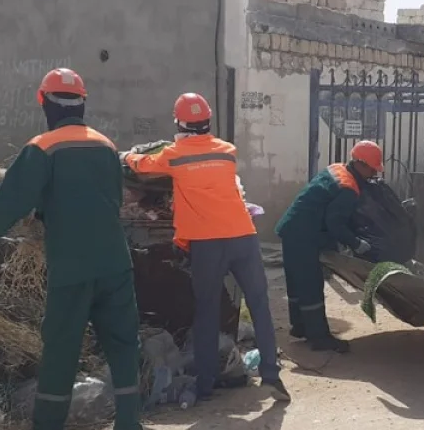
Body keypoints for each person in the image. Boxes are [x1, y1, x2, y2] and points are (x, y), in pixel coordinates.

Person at [0, 67, 152, 430]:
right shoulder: (105, 146)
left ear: (43, 102)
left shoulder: (41, 149)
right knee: (122, 346)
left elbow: (10, 204)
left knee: (61, 347)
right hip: (114, 262)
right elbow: (113, 199)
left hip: (70, 266)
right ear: (82, 103)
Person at [124, 93, 290, 404]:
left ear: (178, 122)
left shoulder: (174, 154)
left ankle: (205, 385)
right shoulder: (227, 151)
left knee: (207, 312)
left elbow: (143, 165)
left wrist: (126, 158)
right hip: (243, 236)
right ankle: (271, 375)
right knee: (259, 305)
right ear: (208, 121)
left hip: (208, 243)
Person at [275, 141, 382, 353]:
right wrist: (356, 243)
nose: (372, 173)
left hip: (292, 228)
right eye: (371, 168)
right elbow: (335, 223)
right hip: (305, 235)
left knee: (296, 282)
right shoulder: (349, 188)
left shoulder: (337, 169)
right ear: (360, 164)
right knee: (310, 284)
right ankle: (319, 338)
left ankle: (300, 327)